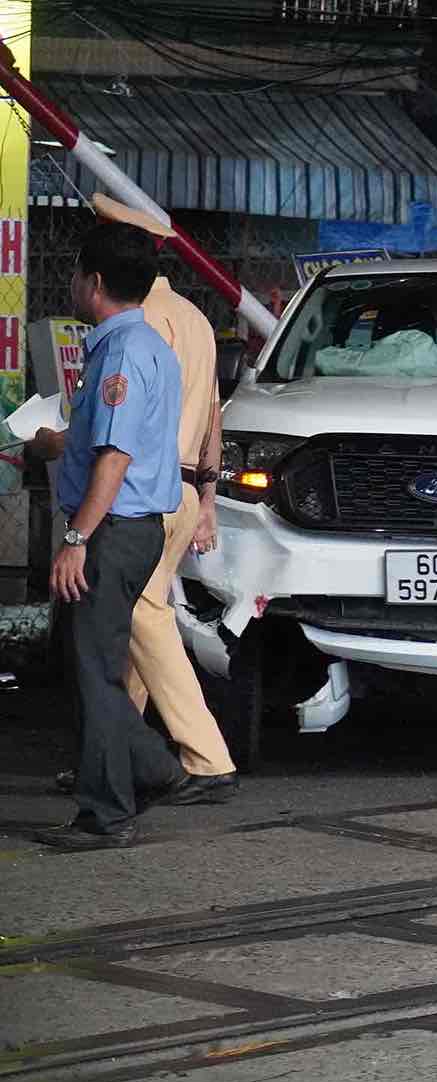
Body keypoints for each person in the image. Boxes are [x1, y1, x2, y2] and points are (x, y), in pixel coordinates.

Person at [32, 223, 188, 851]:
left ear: (93, 283)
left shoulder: (121, 355)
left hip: (113, 529)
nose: (71, 283)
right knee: (90, 664)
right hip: (131, 527)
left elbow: (115, 459)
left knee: (95, 671)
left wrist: (76, 538)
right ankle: (150, 774)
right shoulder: (147, 345)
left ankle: (109, 812)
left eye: (73, 272)